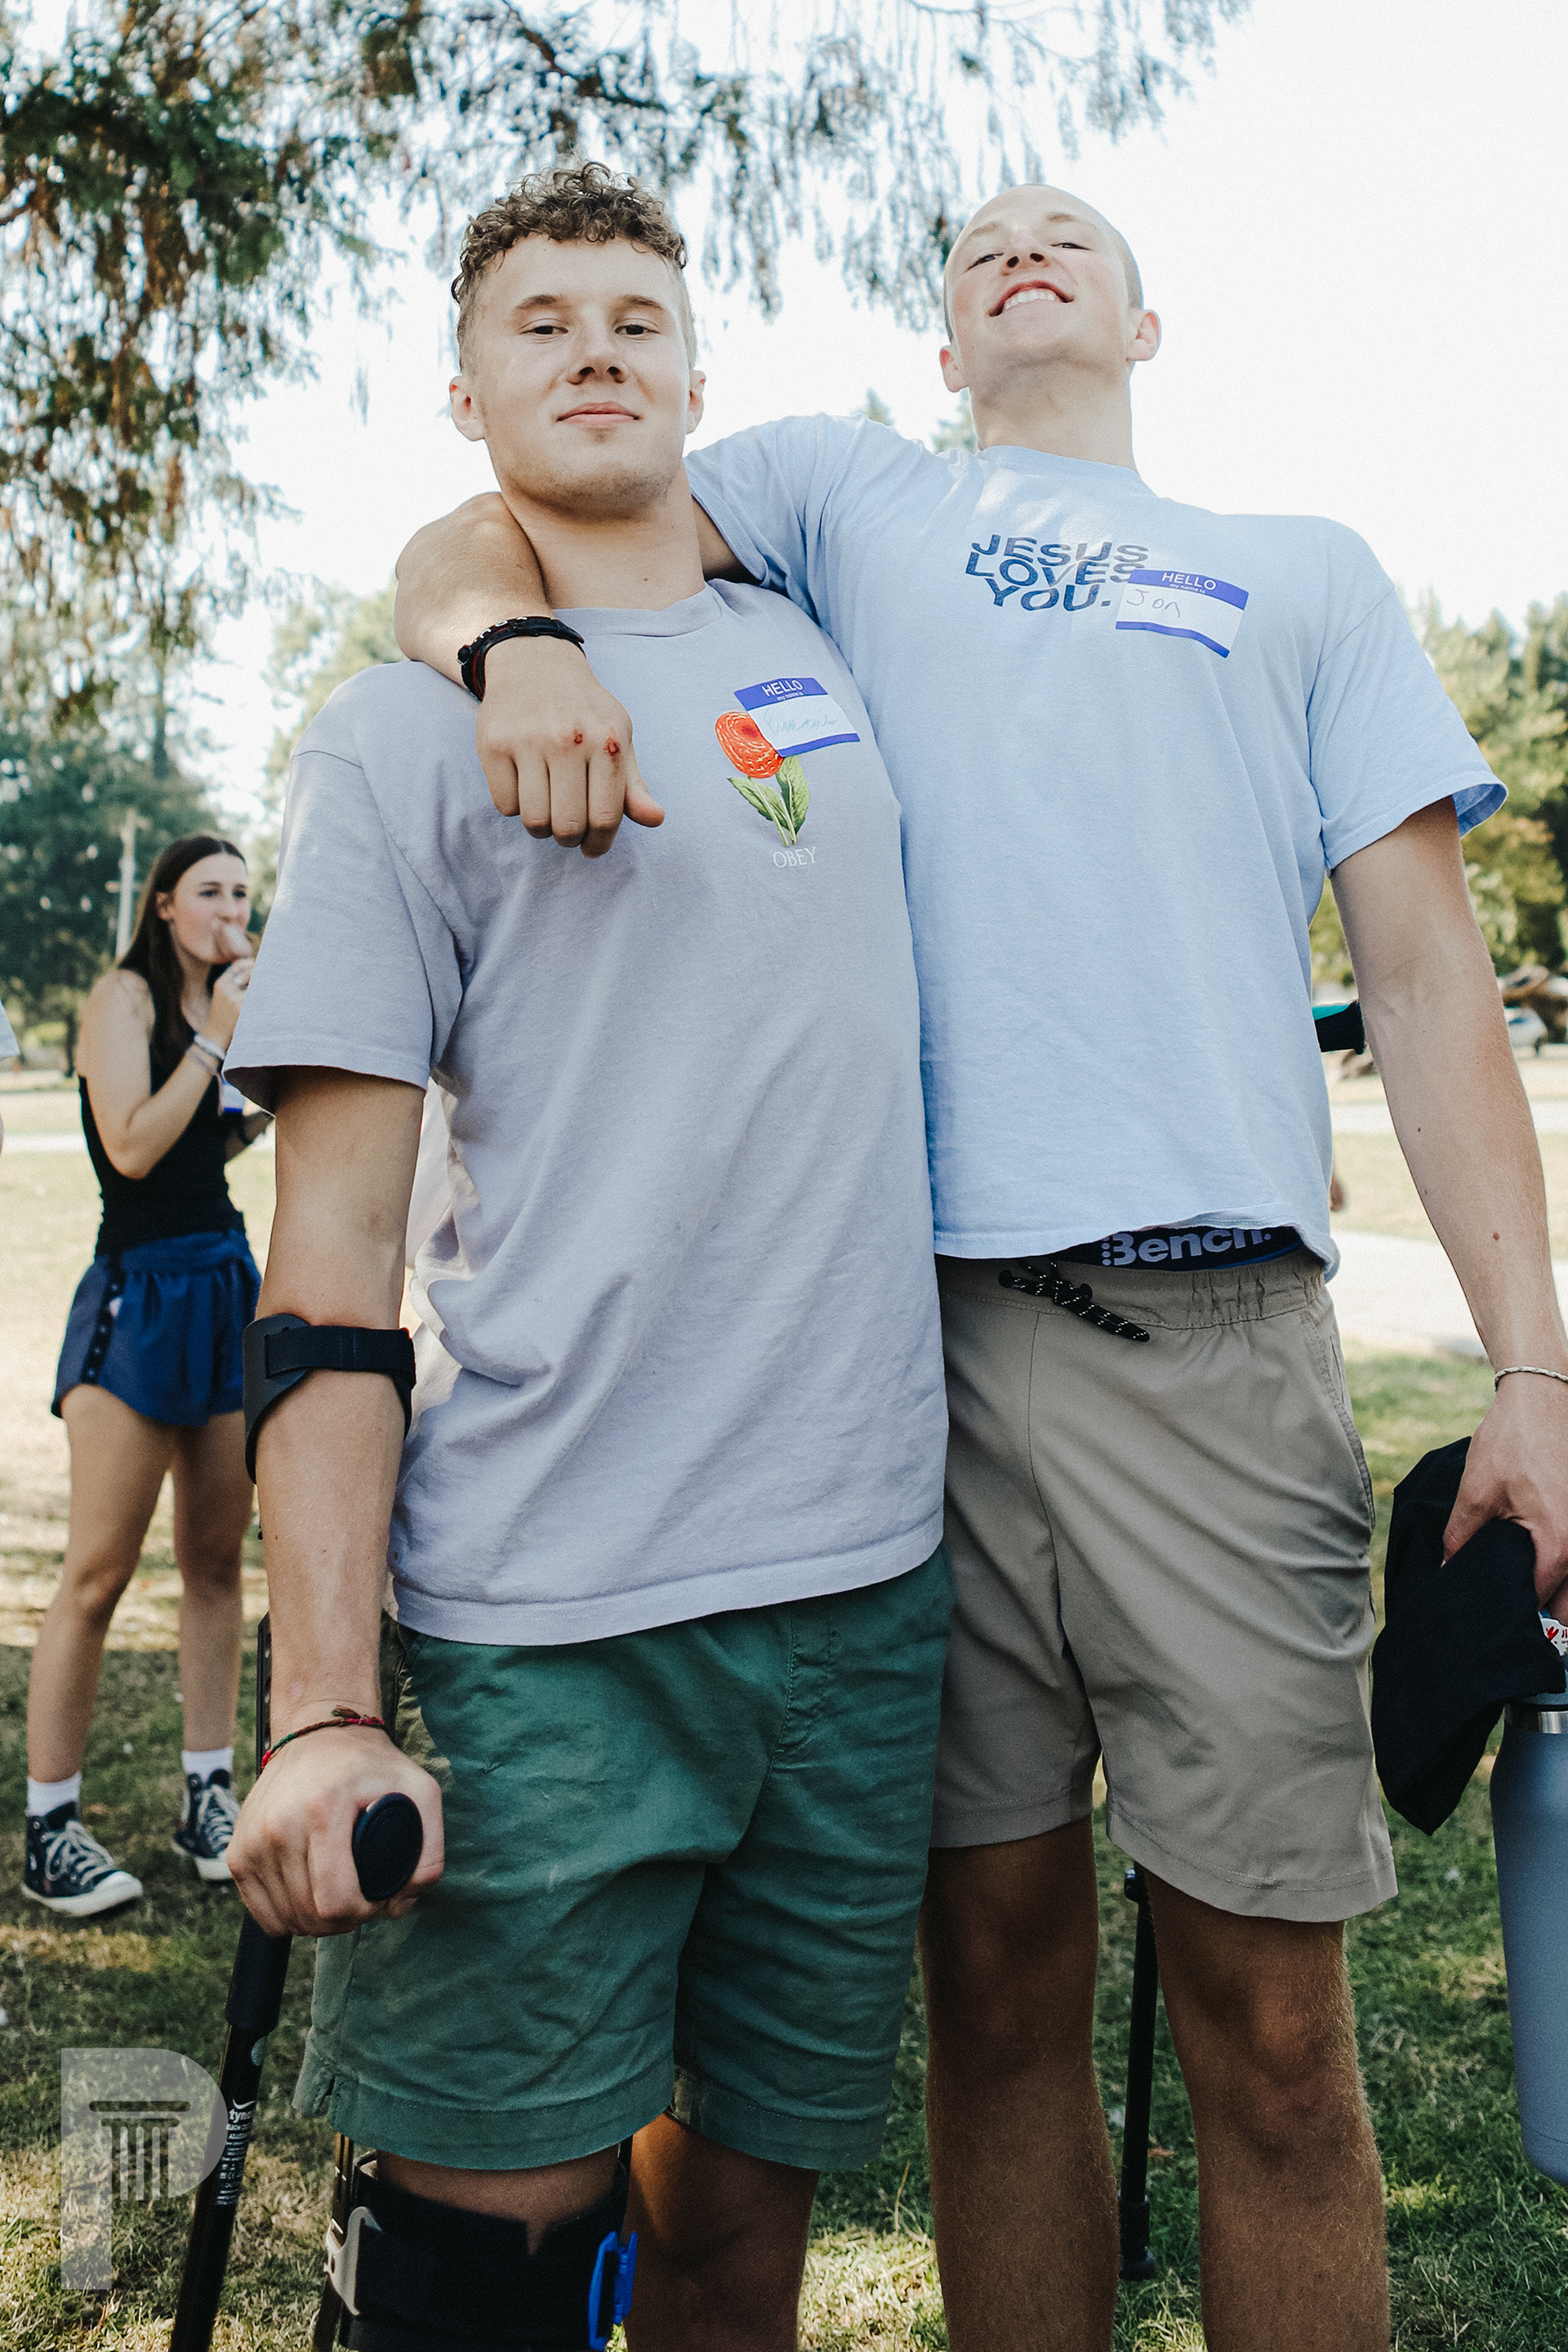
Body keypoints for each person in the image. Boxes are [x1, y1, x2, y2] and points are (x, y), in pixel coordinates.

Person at [393, 181, 1568, 2352]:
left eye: (1071, 235)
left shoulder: (1303, 569)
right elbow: (505, 518)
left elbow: (1423, 985)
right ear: (943, 350)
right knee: (997, 1987)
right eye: (977, 246)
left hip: (1214, 1345)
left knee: (1274, 2035)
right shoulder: (849, 501)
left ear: (1147, 322)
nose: (1022, 242)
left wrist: (1534, 1375)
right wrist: (513, 643)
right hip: (896, 1369)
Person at [223, 163, 951, 2352]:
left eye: (639, 316)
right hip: (555, 1617)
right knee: (483, 2277)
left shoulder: (824, 645)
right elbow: (328, 1274)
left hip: (862, 1600)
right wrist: (323, 1711)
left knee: (734, 2251)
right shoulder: (393, 736)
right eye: (539, 324)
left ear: (702, 381)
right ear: (464, 398)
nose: (597, 348)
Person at [24, 835, 271, 1918]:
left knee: (216, 1560)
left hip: (224, 1279)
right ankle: (51, 1829)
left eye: (243, 893)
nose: (230, 909)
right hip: (139, 1291)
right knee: (98, 1571)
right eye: (210, 891)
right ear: (165, 903)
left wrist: (259, 1089)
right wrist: (215, 1036)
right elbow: (130, 1147)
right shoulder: (122, 999)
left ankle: (207, 1797)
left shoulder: (221, 1007)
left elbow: (204, 1148)